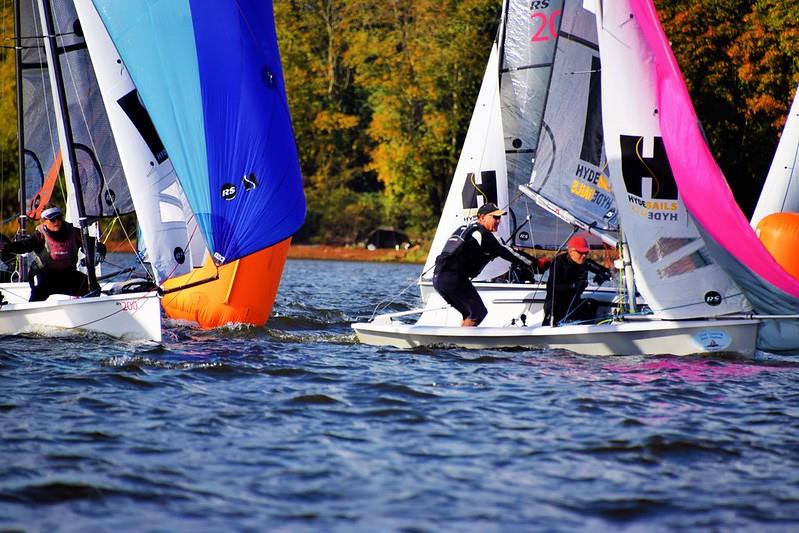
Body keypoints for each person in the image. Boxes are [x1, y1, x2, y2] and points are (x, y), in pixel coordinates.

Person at [433, 202, 545, 327]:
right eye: (495, 217)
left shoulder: (466, 229)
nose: (499, 221)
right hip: (453, 279)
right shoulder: (485, 235)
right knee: (478, 313)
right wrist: (537, 264)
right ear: (481, 217)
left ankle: (458, 342)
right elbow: (510, 254)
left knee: (469, 313)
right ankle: (463, 344)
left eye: (500, 218)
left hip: (439, 278)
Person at [0, 205, 105, 302]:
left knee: (92, 287)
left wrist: (99, 252)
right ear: (44, 221)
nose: (57, 222)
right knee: (39, 290)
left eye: (59, 218)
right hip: (44, 276)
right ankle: (32, 313)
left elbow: (95, 244)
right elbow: (23, 245)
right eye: (52, 219)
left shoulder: (74, 232)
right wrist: (7, 247)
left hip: (67, 275)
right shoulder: (39, 236)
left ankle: (92, 309)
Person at [543, 235, 612, 326]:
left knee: (591, 303)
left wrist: (602, 275)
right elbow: (551, 287)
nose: (584, 256)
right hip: (556, 305)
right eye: (581, 252)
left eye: (586, 253)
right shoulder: (559, 262)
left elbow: (606, 272)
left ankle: (587, 329)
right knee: (554, 309)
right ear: (571, 251)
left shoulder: (585, 263)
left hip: (574, 305)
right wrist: (573, 286)